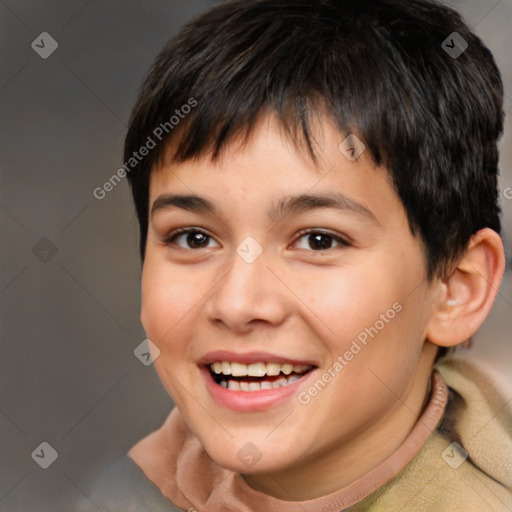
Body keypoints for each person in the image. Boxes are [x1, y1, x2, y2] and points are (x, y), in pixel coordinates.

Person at [79, 0, 512, 510]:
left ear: (456, 290)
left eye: (319, 240)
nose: (238, 304)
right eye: (194, 238)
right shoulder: (125, 490)